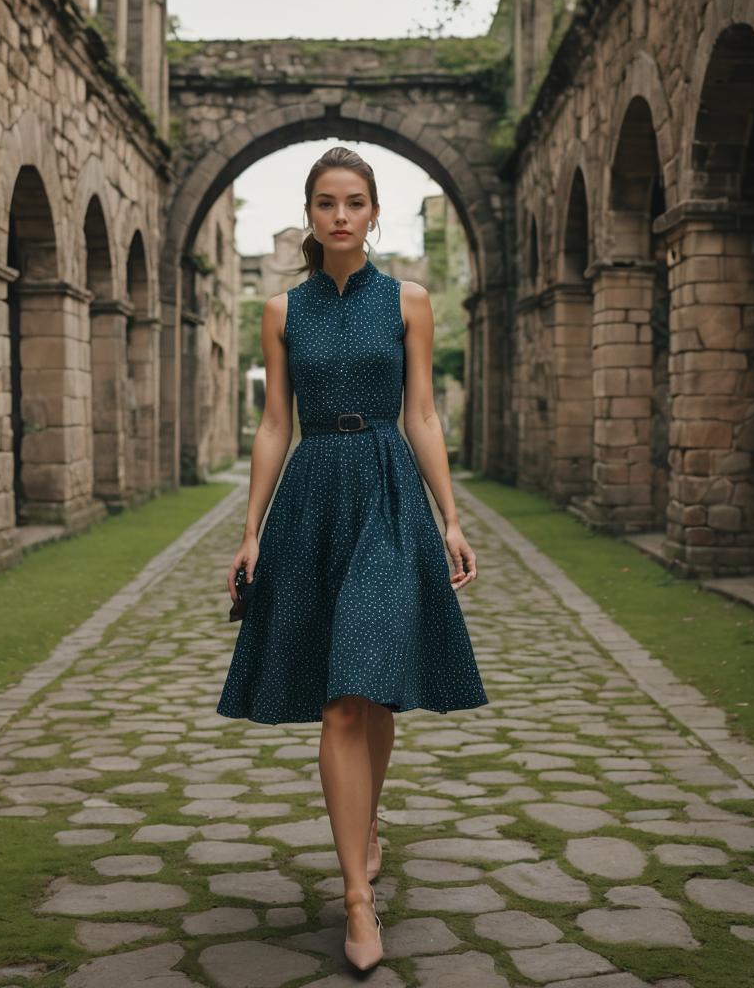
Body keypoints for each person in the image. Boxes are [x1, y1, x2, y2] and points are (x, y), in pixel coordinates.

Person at [218, 145, 489, 971]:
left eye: (356, 202)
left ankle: (366, 822)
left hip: (389, 493)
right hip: (311, 500)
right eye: (327, 202)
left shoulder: (409, 300)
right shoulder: (280, 312)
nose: (341, 215)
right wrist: (251, 527)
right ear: (311, 214)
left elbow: (423, 415)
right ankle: (357, 899)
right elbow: (272, 426)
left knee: (370, 692)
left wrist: (450, 517)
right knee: (341, 703)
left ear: (375, 213)